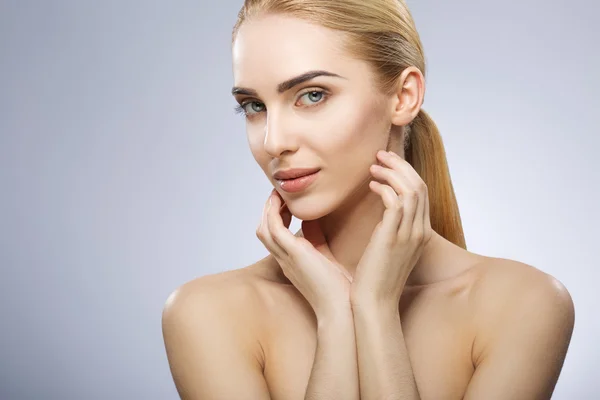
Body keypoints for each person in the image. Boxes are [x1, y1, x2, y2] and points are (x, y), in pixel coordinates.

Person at [161, 1, 575, 399]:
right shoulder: (206, 314)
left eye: (312, 95)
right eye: (253, 106)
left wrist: (374, 310)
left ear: (403, 97)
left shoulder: (525, 306)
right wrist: (335, 319)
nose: (274, 141)